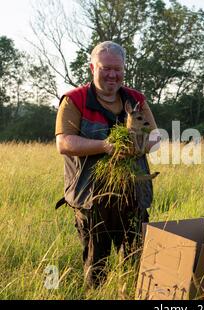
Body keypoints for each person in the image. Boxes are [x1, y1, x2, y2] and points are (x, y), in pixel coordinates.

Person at [55, 41, 159, 289]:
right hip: (91, 199)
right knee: (96, 267)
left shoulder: (136, 99)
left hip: (133, 197)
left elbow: (155, 137)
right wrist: (105, 146)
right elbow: (64, 143)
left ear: (124, 68)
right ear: (92, 67)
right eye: (105, 68)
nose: (112, 74)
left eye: (117, 68)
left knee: (136, 264)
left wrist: (137, 146)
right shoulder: (74, 99)